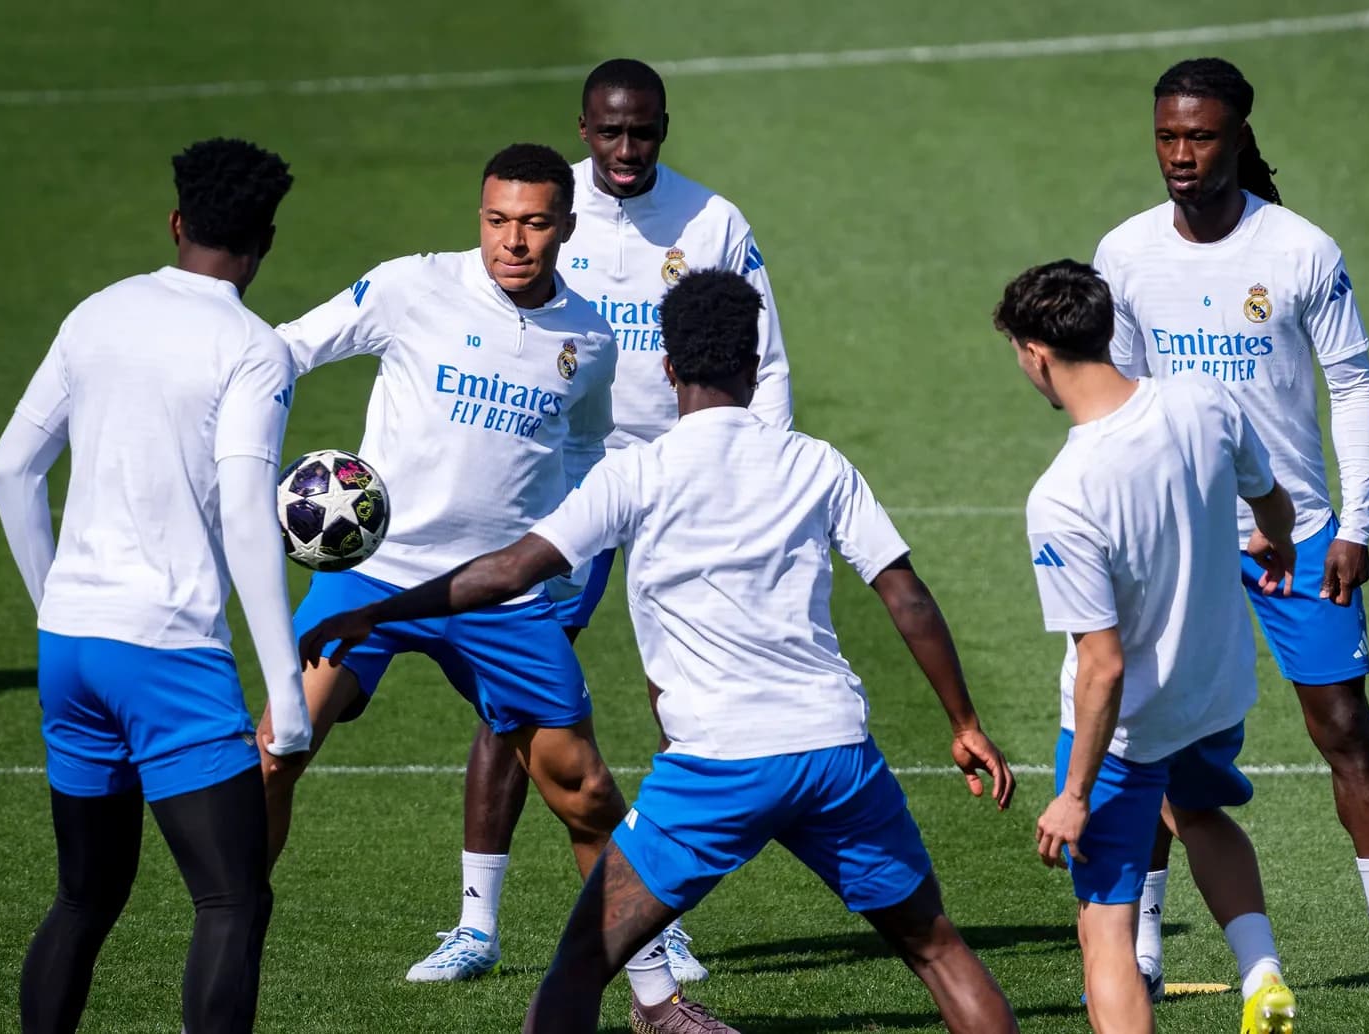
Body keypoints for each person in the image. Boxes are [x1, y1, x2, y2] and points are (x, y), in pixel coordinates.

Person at [297, 270, 1018, 1034]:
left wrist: (381, 610)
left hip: (716, 768)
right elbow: (906, 596)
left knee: (578, 968)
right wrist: (965, 723)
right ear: (754, 365)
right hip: (835, 753)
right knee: (937, 951)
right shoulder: (818, 464)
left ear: (668, 367)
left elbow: (509, 572)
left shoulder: (637, 472)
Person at [259, 141, 726, 1027]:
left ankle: (658, 1003)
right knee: (280, 745)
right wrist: (251, 461)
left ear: (566, 226)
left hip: (500, 598)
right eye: (498, 220)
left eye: (535, 223)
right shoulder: (410, 286)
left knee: (586, 792)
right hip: (373, 576)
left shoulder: (587, 339)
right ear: (481, 216)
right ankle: (233, 933)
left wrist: (568, 559)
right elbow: (285, 353)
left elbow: (587, 450)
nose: (513, 241)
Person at [1091, 56, 1369, 1007]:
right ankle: (1144, 954)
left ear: (1239, 138)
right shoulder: (1125, 254)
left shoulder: (1299, 250)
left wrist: (1356, 522)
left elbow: (1353, 386)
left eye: (1200, 136)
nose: (1180, 153)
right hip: (1180, 541)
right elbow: (1116, 402)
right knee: (1156, 742)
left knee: (1344, 728)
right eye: (1168, 135)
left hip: (1300, 539)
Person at [443, 57, 795, 988]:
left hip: (689, 479)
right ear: (585, 127)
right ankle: (477, 923)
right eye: (610, 132)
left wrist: (756, 473)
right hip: (577, 480)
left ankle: (656, 912)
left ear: (665, 126)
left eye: (643, 132)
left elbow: (769, 358)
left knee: (681, 687)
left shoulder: (713, 219)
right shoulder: (548, 210)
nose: (627, 150)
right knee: (523, 689)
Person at [0, 137, 307, 1034]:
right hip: (167, 658)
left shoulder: (99, 312)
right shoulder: (253, 349)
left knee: (83, 899)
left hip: (71, 647)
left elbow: (13, 469)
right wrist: (285, 691)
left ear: (178, 223)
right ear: (267, 242)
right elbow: (250, 516)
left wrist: (57, 604)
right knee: (232, 901)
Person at [999, 259, 1298, 1034]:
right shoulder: (1203, 399)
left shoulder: (1063, 495)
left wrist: (1072, 795)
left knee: (1105, 922)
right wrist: (1278, 543)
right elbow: (1272, 501)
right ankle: (1261, 972)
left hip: (1128, 731)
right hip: (1216, 693)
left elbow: (1102, 664)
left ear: (1036, 354)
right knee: (1200, 814)